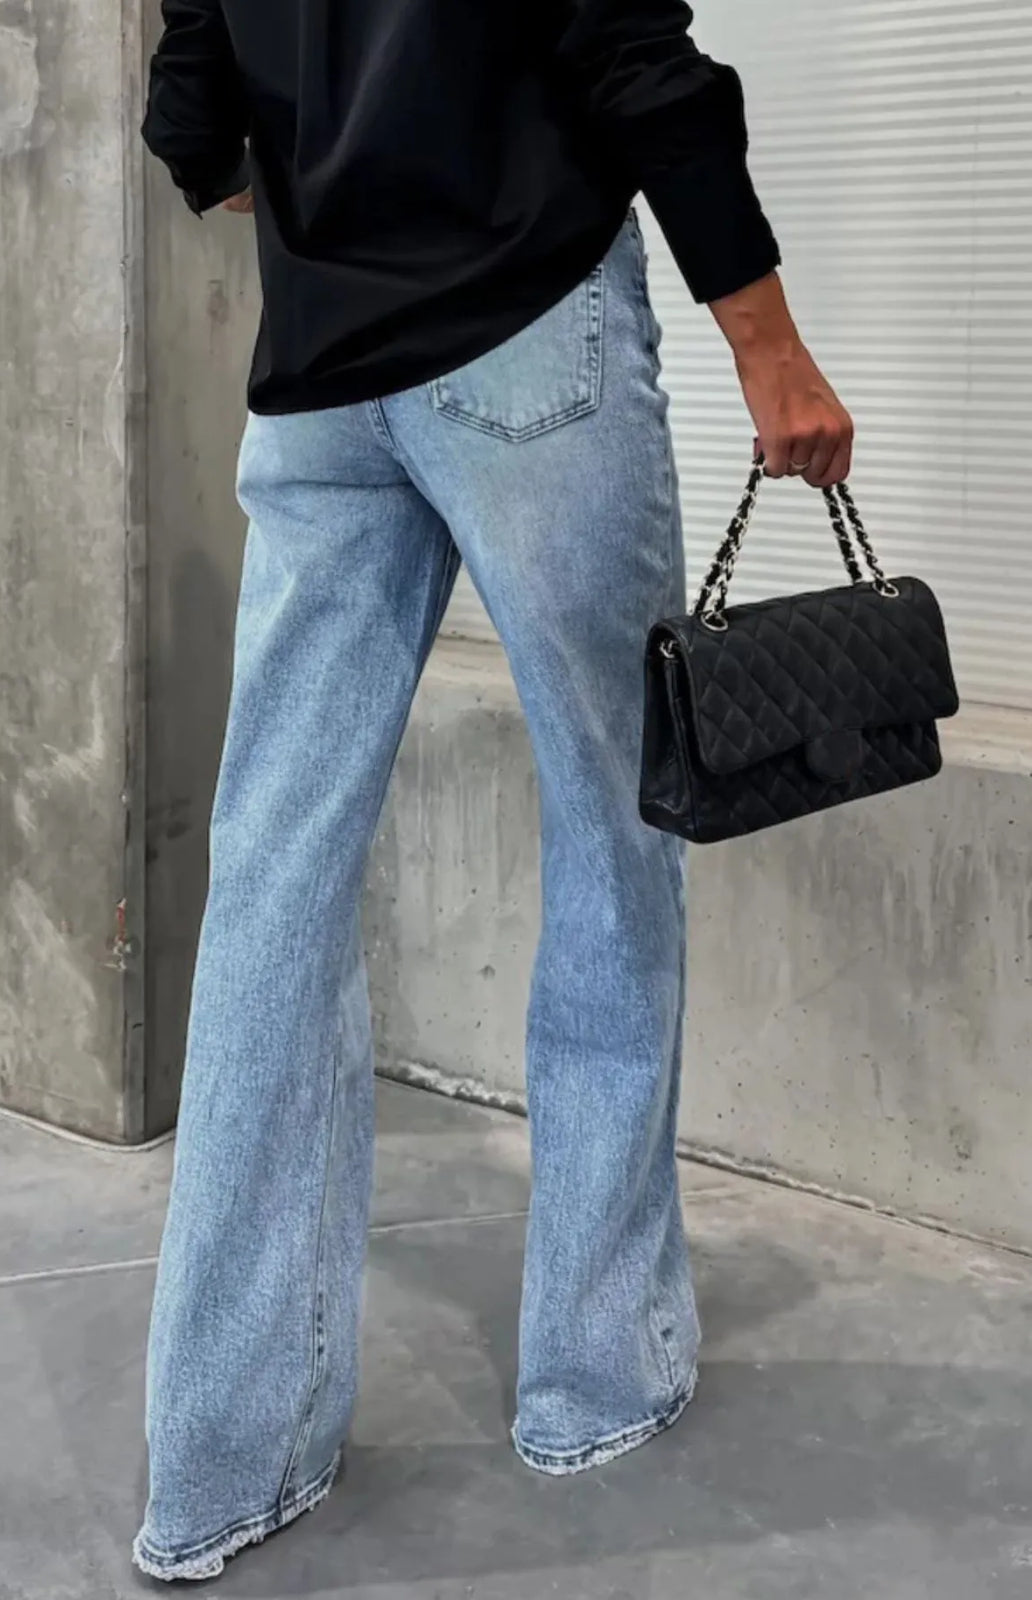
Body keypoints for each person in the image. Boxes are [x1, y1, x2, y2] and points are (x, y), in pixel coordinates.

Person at [133, 0, 854, 1581]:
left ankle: (219, 1466)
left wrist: (328, 198)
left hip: (318, 386)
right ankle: (596, 1376)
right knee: (616, 838)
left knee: (271, 885)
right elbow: (630, 51)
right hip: (529, 342)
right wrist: (768, 343)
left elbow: (190, 118)